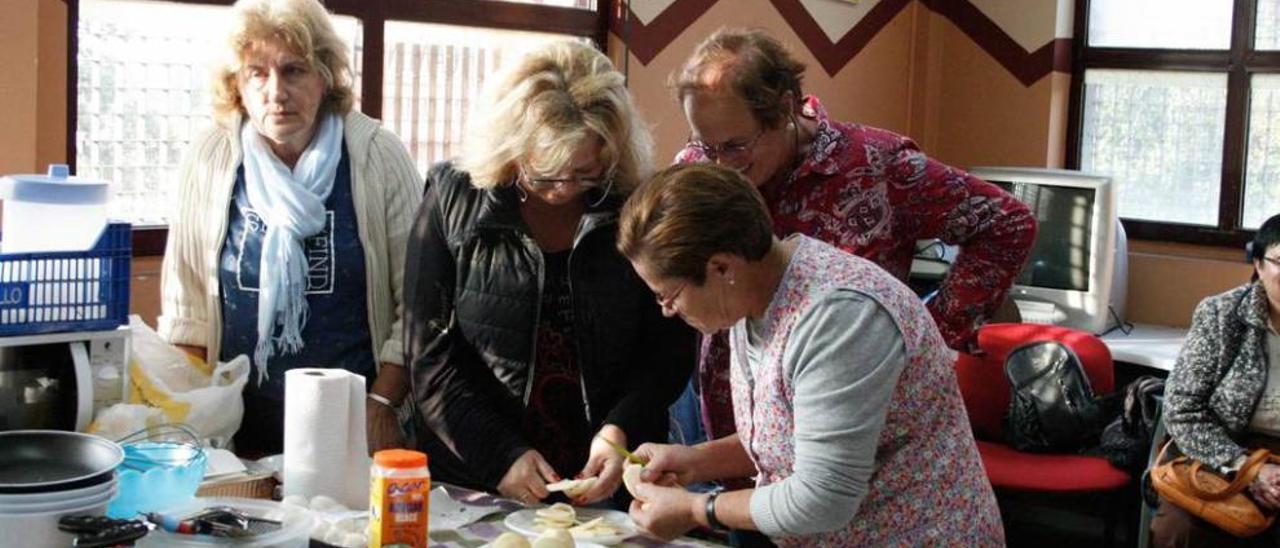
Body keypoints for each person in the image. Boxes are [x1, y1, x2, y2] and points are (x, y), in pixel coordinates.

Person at [671, 28, 1037, 446]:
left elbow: (1007, 222)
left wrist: (930, 336)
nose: (719, 165)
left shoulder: (877, 166)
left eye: (735, 146)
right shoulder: (699, 166)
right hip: (735, 421)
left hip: (851, 420)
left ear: (785, 109)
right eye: (705, 145)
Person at [616, 163, 1004, 546]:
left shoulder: (840, 317)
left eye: (667, 295)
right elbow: (789, 437)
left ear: (721, 266)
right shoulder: (751, 297)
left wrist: (695, 508)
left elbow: (824, 498)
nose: (667, 310)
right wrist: (694, 461)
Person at [404, 40, 697, 506]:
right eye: (544, 176)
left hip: (607, 477)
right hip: (475, 475)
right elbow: (430, 360)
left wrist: (619, 430)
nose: (564, 190)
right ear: (510, 148)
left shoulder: (634, 202)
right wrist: (499, 456)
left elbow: (668, 350)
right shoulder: (452, 196)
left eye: (585, 173)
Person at [157, 0, 422, 456]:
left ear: (325, 76)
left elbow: (419, 307)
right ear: (236, 84)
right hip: (238, 431)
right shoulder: (210, 158)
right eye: (256, 72)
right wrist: (194, 427)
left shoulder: (377, 155)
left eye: (294, 70)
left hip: (358, 426)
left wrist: (382, 405)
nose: (275, 91)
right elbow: (188, 315)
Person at [1153, 212, 1280, 547]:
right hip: (1221, 451)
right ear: (1259, 263)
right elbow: (1182, 410)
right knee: (1180, 532)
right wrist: (1246, 468)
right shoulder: (1221, 315)